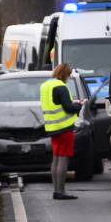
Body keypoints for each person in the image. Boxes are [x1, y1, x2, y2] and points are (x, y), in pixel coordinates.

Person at [41, 62, 83, 200]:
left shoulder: (46, 85)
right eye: (68, 75)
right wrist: (79, 106)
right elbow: (68, 107)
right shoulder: (61, 86)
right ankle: (61, 191)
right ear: (64, 74)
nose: (69, 78)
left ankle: (56, 190)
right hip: (64, 127)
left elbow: (55, 104)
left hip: (52, 127)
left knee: (56, 159)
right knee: (63, 159)